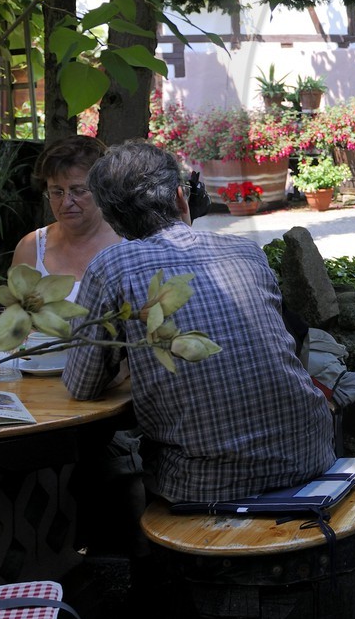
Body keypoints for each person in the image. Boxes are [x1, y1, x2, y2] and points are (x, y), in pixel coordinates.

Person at [63, 141, 334, 504]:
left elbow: (82, 385)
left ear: (112, 220)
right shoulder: (246, 251)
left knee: (114, 464)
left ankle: (133, 556)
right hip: (312, 455)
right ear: (180, 197)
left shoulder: (111, 266)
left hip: (204, 485)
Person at [12, 135, 122, 297]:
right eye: (57, 192)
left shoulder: (130, 244)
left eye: (78, 191)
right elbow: (15, 318)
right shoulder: (31, 249)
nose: (66, 202)